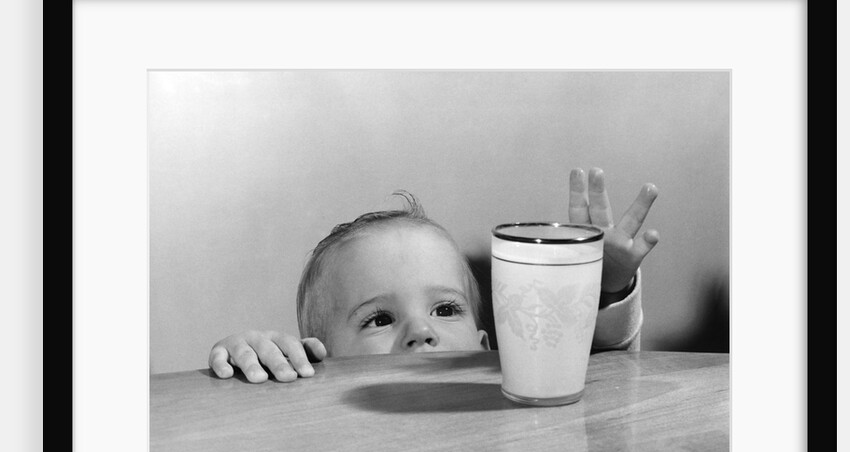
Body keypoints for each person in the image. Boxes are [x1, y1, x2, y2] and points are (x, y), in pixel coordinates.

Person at [208, 167, 660, 383]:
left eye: (445, 309)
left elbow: (605, 385)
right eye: (379, 318)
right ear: (319, 359)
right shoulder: (313, 403)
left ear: (486, 350)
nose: (421, 331)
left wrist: (603, 290)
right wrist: (253, 361)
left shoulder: (505, 393)